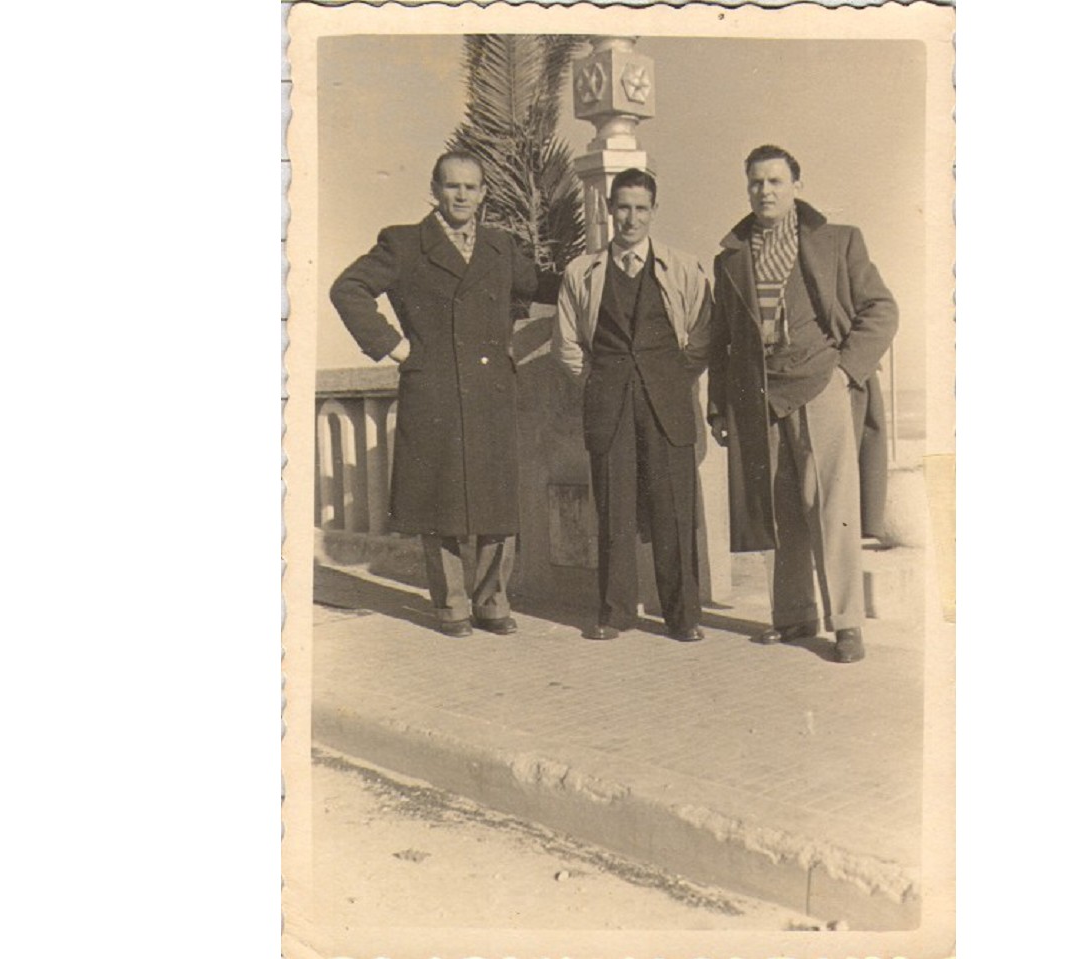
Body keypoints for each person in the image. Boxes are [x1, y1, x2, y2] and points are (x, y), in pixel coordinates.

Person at [330, 150, 538, 638]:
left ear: (484, 194)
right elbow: (348, 288)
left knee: (497, 502)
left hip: (491, 388)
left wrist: (596, 270)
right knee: (440, 499)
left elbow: (539, 284)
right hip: (435, 387)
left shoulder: (501, 246)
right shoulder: (404, 243)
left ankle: (493, 602)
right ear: (434, 190)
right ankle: (451, 606)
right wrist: (394, 345)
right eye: (451, 185)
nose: (461, 195)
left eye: (471, 187)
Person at [707, 145, 898, 663]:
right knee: (780, 507)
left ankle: (847, 625)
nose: (764, 191)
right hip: (761, 395)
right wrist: (719, 408)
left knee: (832, 508)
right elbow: (722, 339)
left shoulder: (837, 240)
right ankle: (794, 615)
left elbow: (882, 309)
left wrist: (845, 370)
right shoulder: (731, 259)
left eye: (775, 181)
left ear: (796, 185)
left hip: (822, 385)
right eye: (756, 182)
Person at [554, 168, 713, 643]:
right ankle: (615, 612)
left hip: (667, 405)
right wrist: (597, 381)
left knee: (674, 511)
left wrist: (674, 377)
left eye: (641, 208)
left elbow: (703, 335)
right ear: (609, 209)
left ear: (654, 211)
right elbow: (566, 342)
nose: (631, 218)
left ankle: (683, 616)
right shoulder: (582, 272)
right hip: (610, 406)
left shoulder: (682, 267)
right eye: (622, 207)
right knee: (614, 510)